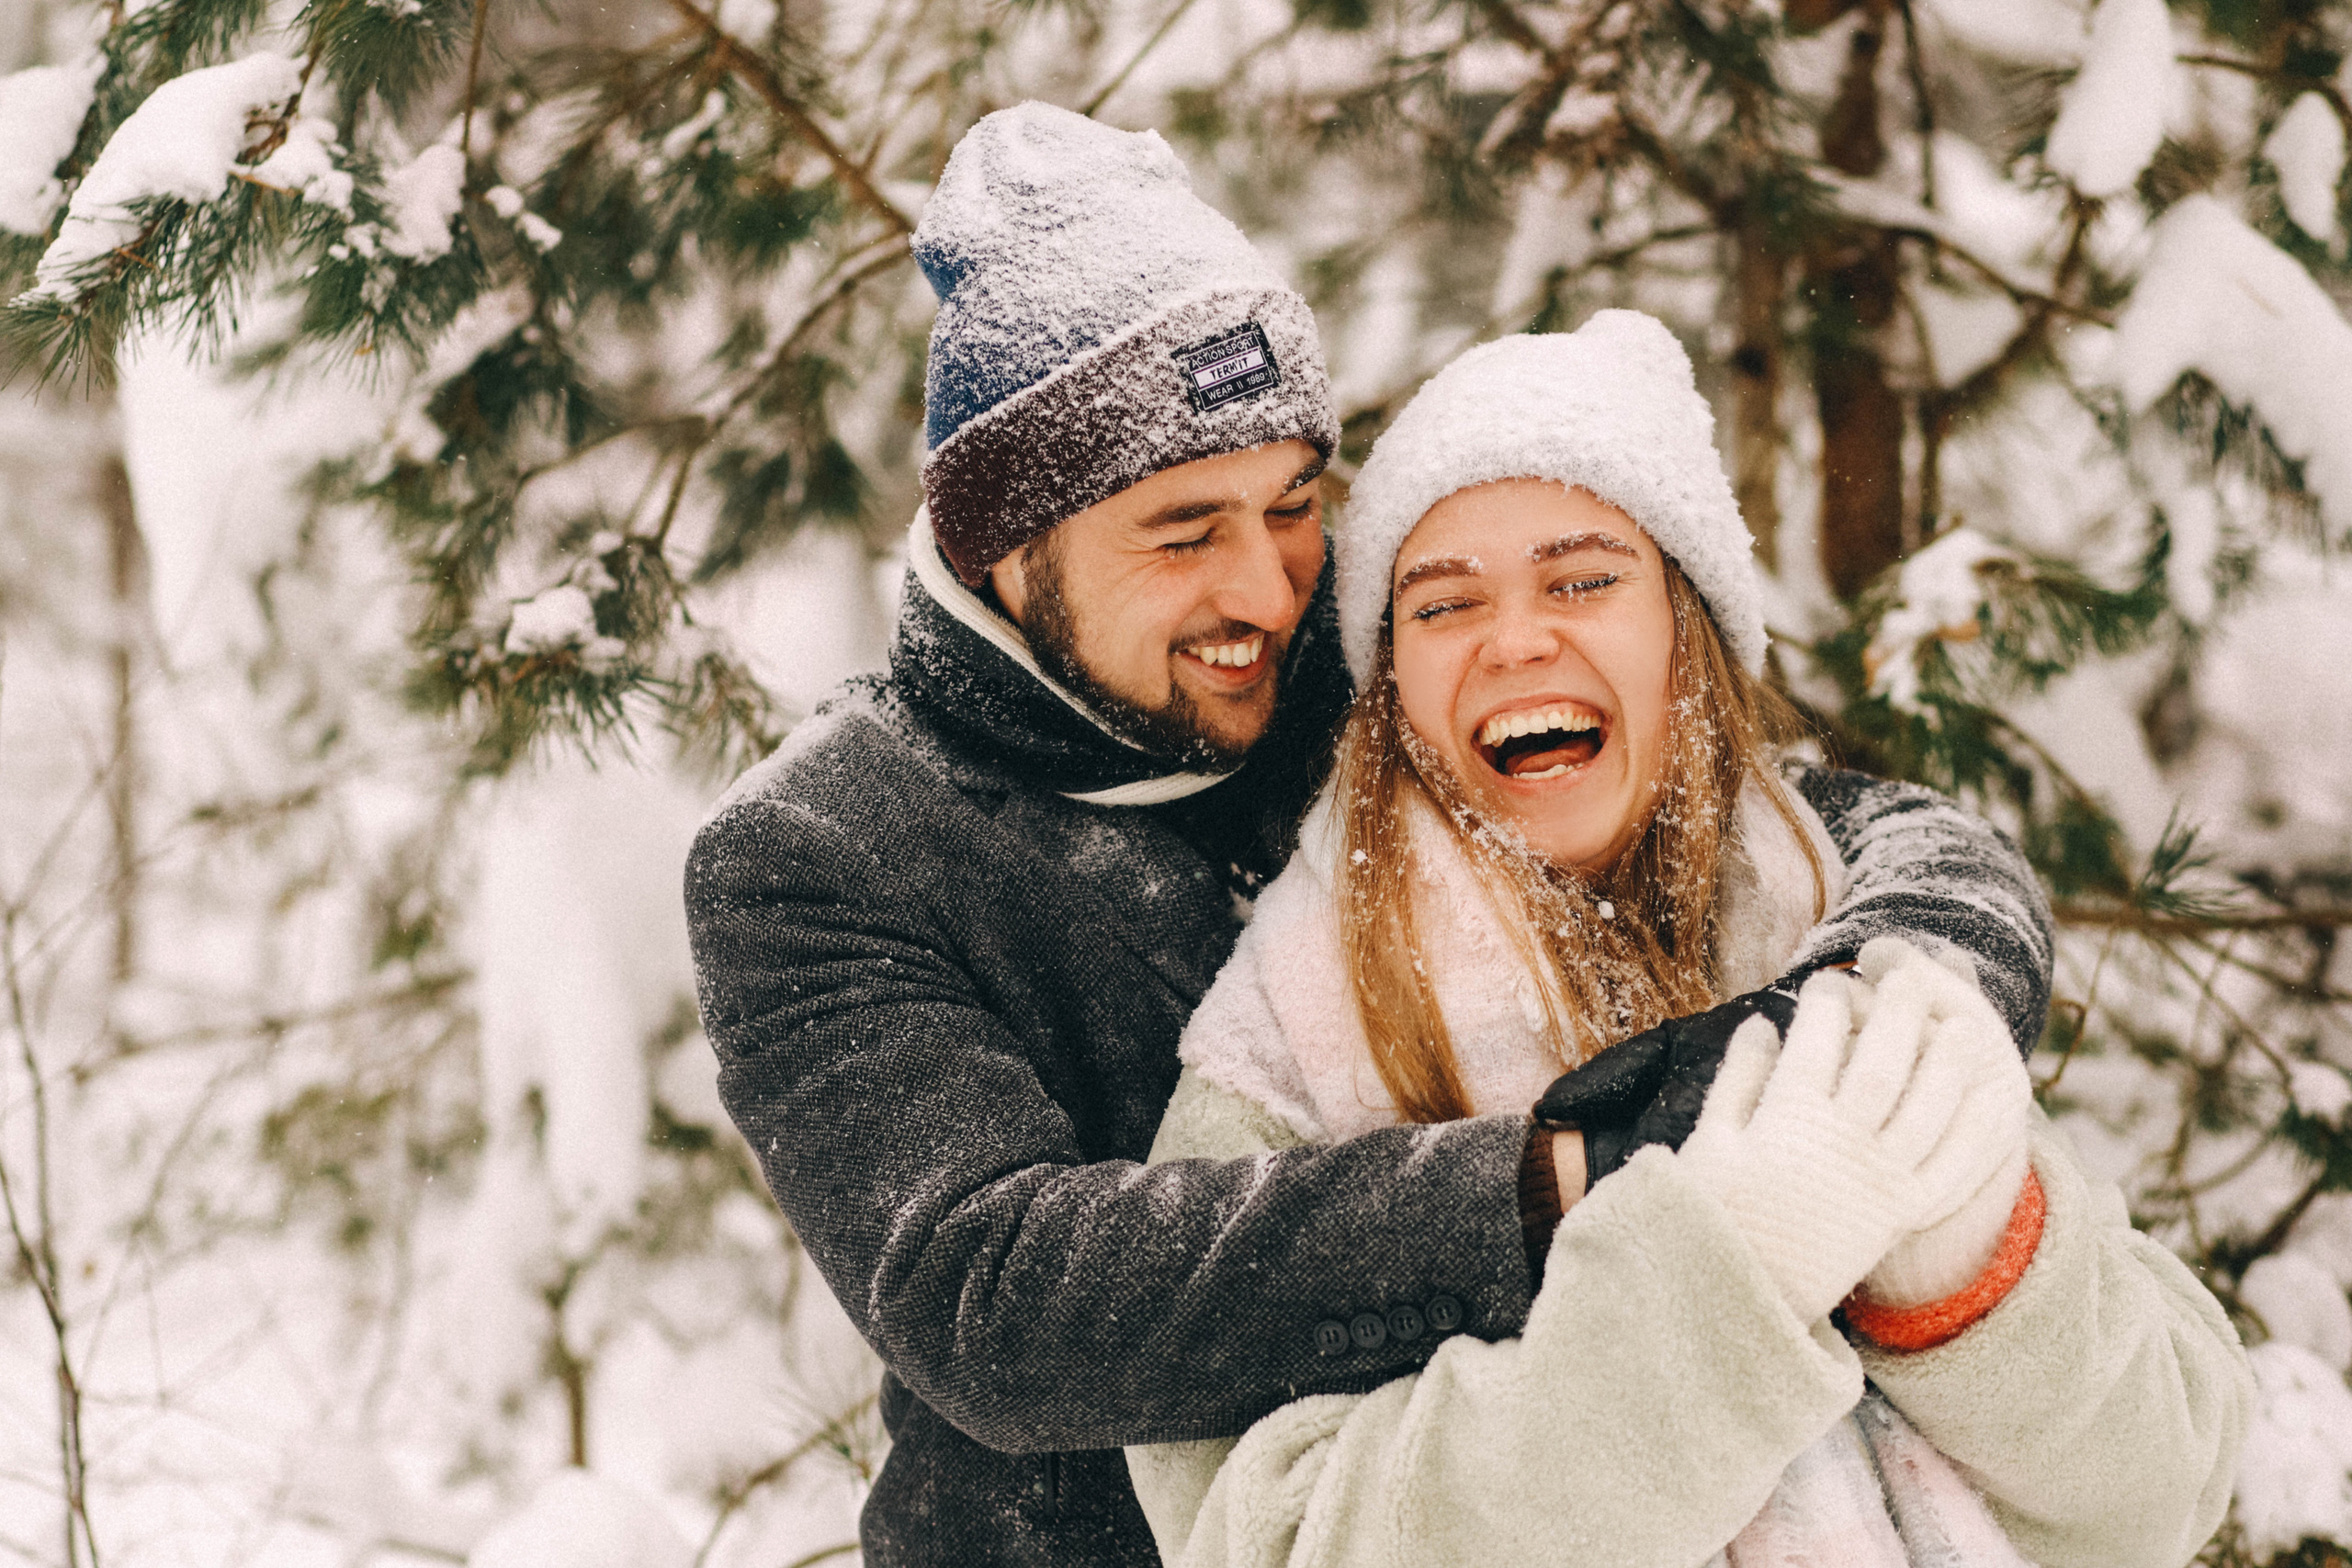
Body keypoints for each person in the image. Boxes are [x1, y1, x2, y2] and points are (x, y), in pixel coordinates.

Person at [684, 104, 2056, 1567]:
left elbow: (1804, 811)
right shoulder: (821, 851)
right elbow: (997, 1298)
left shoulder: (1356, 658)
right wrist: (1556, 1174)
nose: (1269, 589)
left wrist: (1902, 999)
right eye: (1181, 529)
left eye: (1291, 504)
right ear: (999, 552)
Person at [1125, 315, 2252, 1568]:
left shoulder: (1840, 953)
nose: (1514, 639)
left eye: (1584, 578)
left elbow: (2162, 1496)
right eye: (1444, 606)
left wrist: (1960, 1276)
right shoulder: (1288, 1046)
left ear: (1687, 631)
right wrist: (1723, 1295)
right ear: (1393, 690)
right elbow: (1264, 1545)